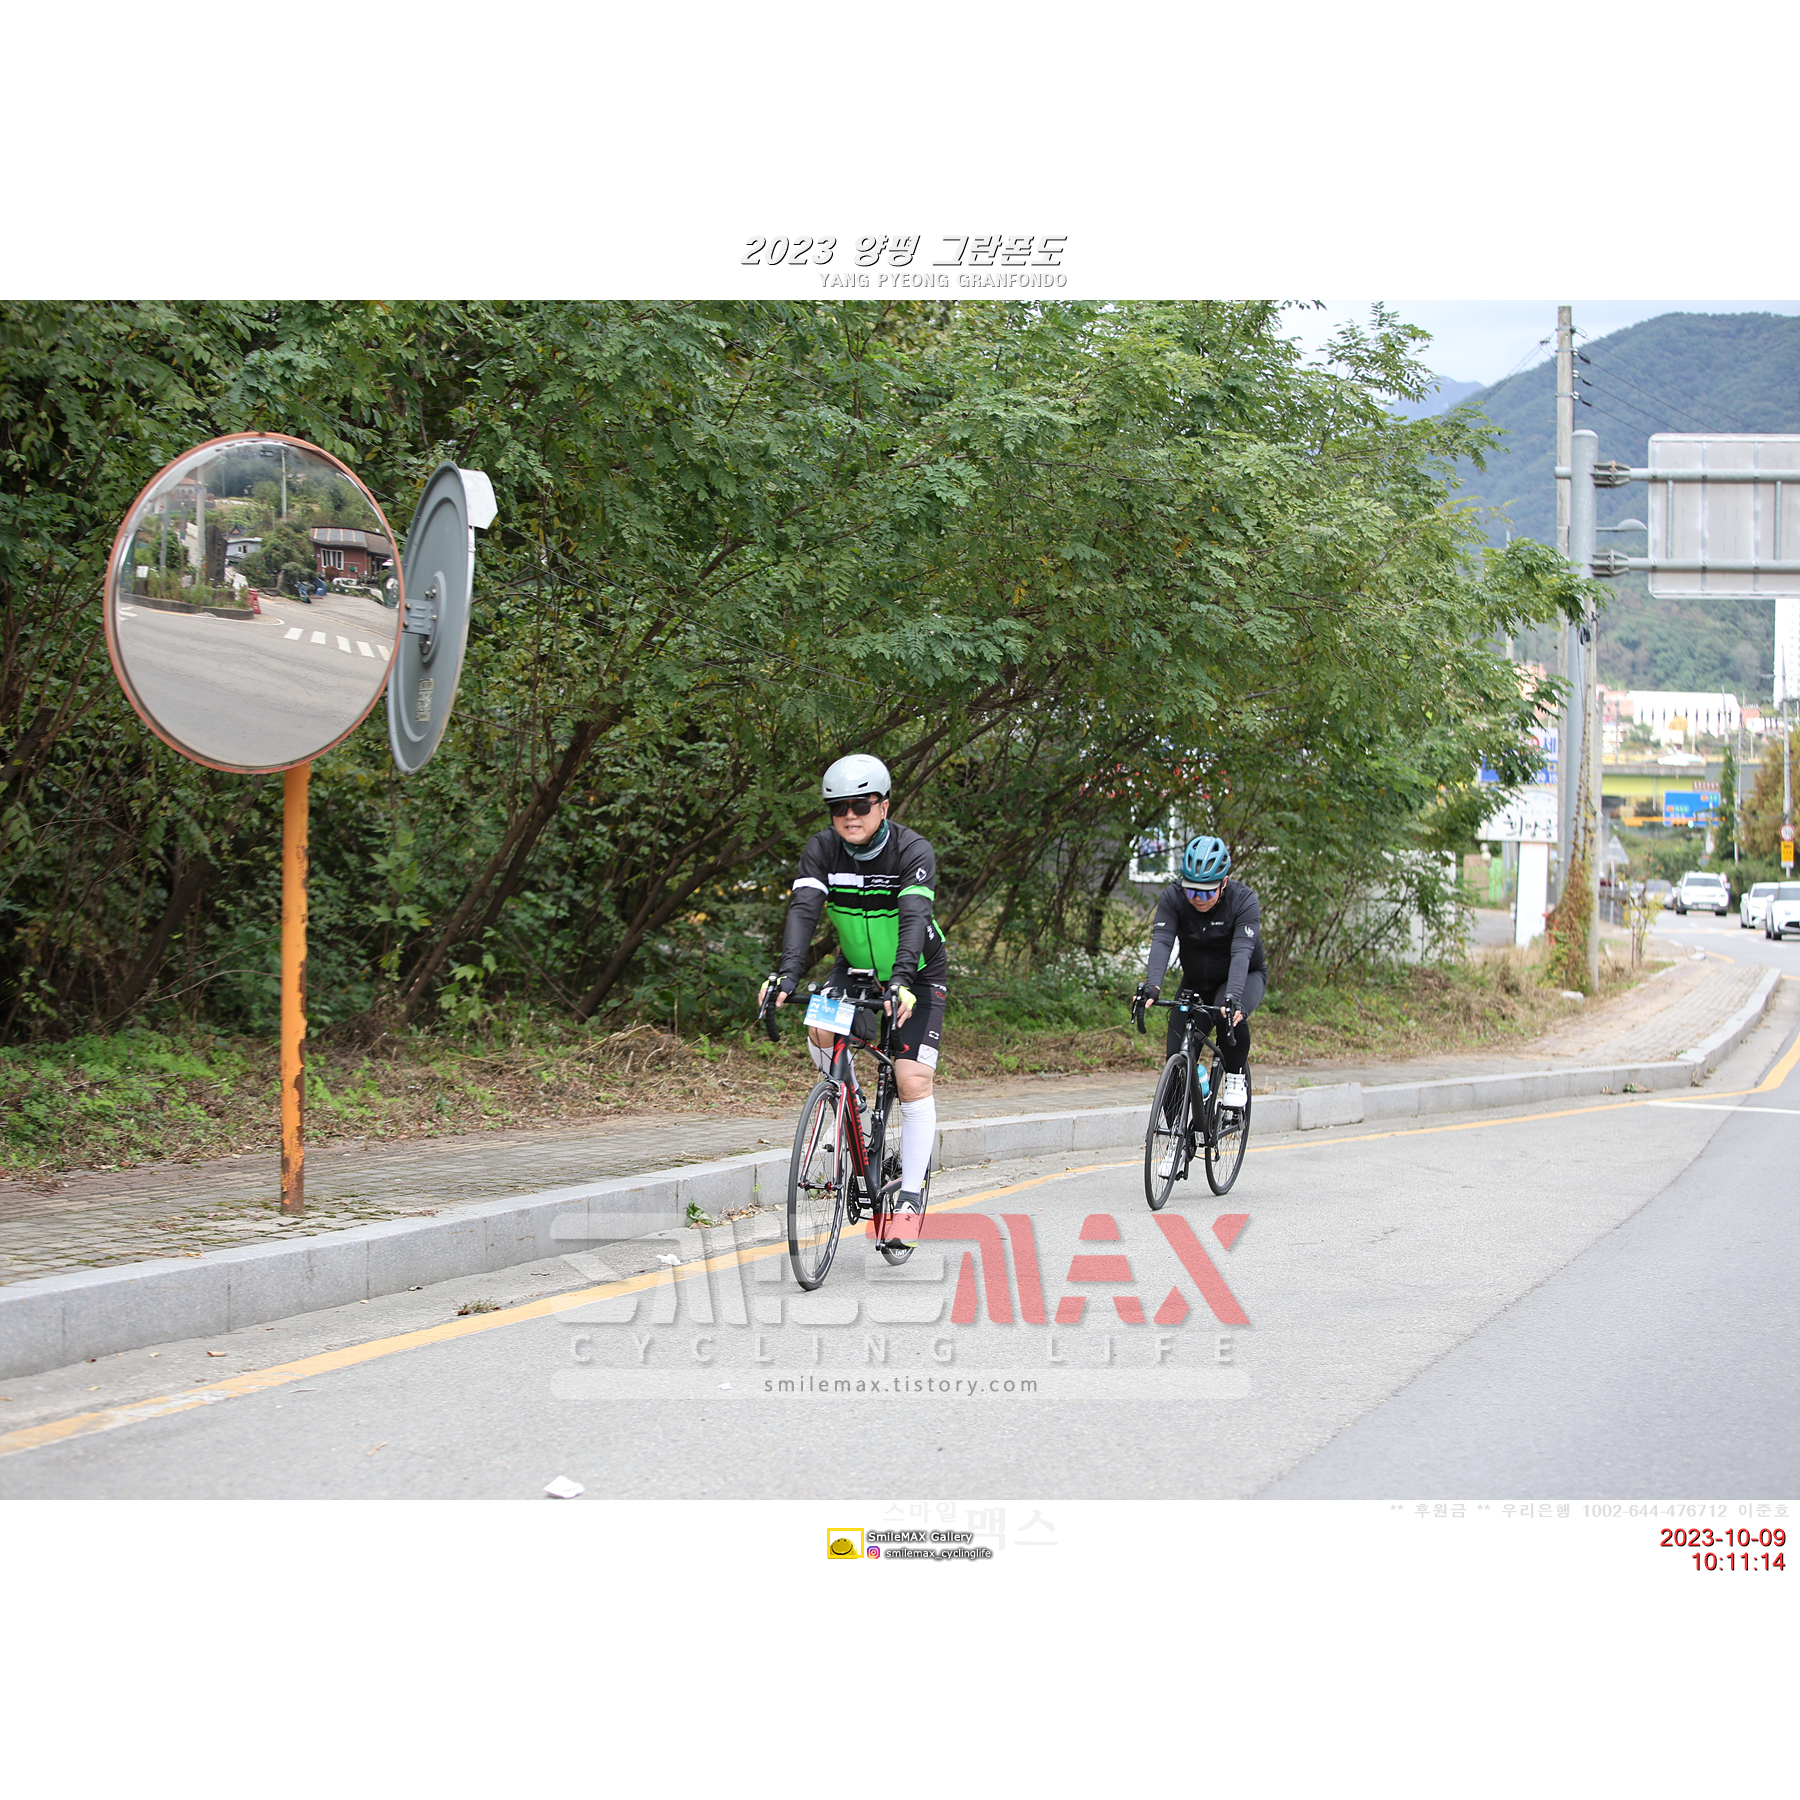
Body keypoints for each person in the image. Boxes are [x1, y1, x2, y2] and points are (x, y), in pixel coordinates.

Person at [761, 754, 949, 1226]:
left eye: (861, 805)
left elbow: (914, 919)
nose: (850, 815)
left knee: (912, 1080)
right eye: (839, 807)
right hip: (856, 967)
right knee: (819, 1027)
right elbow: (804, 910)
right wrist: (786, 975)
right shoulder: (822, 849)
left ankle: (909, 1198)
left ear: (883, 806)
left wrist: (901, 980)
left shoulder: (911, 850)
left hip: (917, 971)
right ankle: (850, 1100)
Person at [1132, 834, 1265, 1122]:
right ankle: (1174, 1137)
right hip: (1195, 982)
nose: (1197, 899)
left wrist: (1234, 997)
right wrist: (1153, 985)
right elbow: (1162, 941)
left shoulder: (1243, 900)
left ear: (1224, 882)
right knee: (1175, 1057)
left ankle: (1234, 1077)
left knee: (1229, 1014)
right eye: (1191, 890)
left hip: (1241, 977)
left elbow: (1242, 953)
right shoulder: (1174, 897)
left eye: (1206, 893)